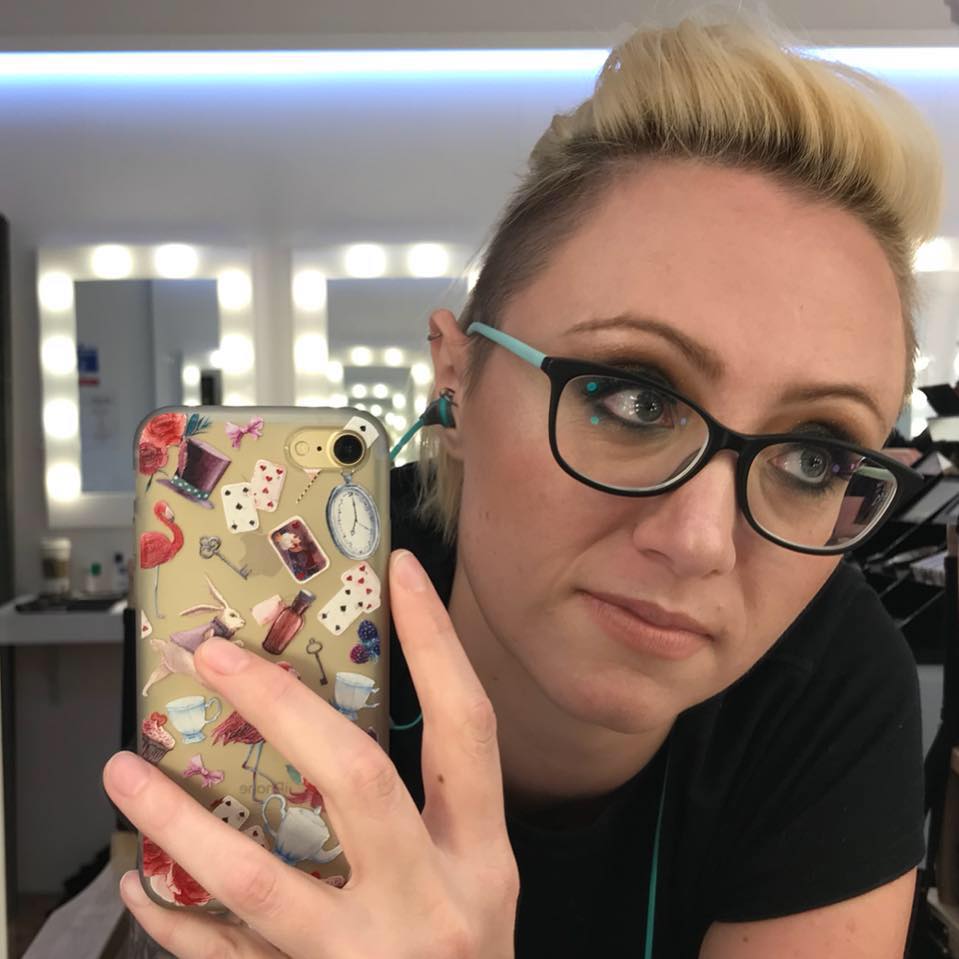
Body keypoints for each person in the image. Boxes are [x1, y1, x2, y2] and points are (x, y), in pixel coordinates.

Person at [102, 10, 944, 958]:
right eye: (632, 398)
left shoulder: (830, 679)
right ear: (455, 379)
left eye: (814, 457)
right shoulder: (279, 618)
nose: (701, 541)